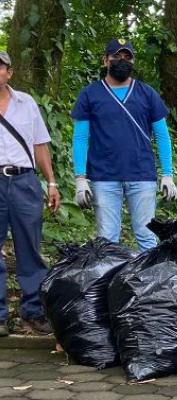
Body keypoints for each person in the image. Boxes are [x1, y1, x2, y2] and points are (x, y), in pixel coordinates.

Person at [71, 38, 176, 251]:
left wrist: (168, 174)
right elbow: (80, 138)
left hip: (141, 174)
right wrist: (80, 178)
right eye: (116, 56)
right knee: (107, 240)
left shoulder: (147, 93)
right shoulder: (90, 94)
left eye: (127, 56)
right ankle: (110, 274)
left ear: (133, 61)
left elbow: (162, 135)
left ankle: (149, 274)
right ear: (105, 60)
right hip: (104, 176)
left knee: (147, 237)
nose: (122, 60)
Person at [0, 51, 60, 335]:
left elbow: (40, 145)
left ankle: (33, 311)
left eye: (0, 67)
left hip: (24, 181)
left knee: (30, 248)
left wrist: (51, 183)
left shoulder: (27, 104)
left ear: (9, 72)